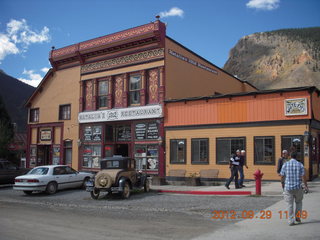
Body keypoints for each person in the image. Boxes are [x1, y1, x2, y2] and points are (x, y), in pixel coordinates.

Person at [280, 151, 309, 226]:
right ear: (297, 157)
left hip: (288, 187)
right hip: (298, 187)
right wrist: (306, 186)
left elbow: (282, 176)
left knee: (289, 204)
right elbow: (303, 176)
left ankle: (290, 221)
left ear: (290, 156)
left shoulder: (285, 164)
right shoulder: (300, 165)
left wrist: (282, 184)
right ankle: (298, 218)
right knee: (299, 202)